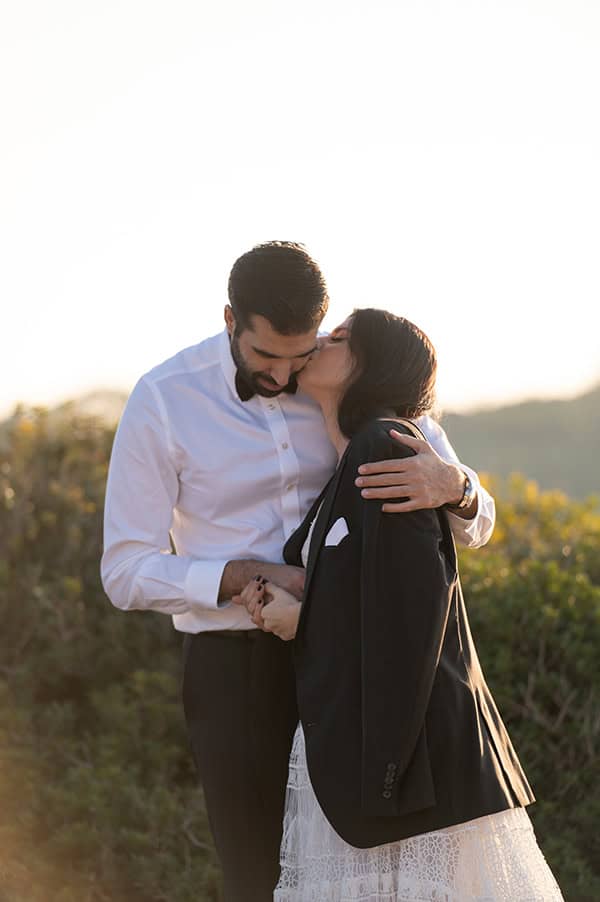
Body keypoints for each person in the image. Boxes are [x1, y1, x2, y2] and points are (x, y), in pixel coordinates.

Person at [101, 242, 496, 902]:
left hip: (356, 671)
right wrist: (242, 575)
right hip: (238, 671)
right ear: (231, 320)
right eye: (265, 358)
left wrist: (453, 482)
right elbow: (125, 569)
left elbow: (475, 522)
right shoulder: (164, 400)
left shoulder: (354, 377)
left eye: (300, 354)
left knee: (367, 871)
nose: (284, 375)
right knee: (259, 879)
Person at [234, 309, 564, 901]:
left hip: (410, 754)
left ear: (371, 365)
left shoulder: (384, 445)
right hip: (361, 737)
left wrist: (301, 622)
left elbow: (413, 606)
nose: (322, 341)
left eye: (340, 338)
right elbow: (368, 585)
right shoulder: (350, 462)